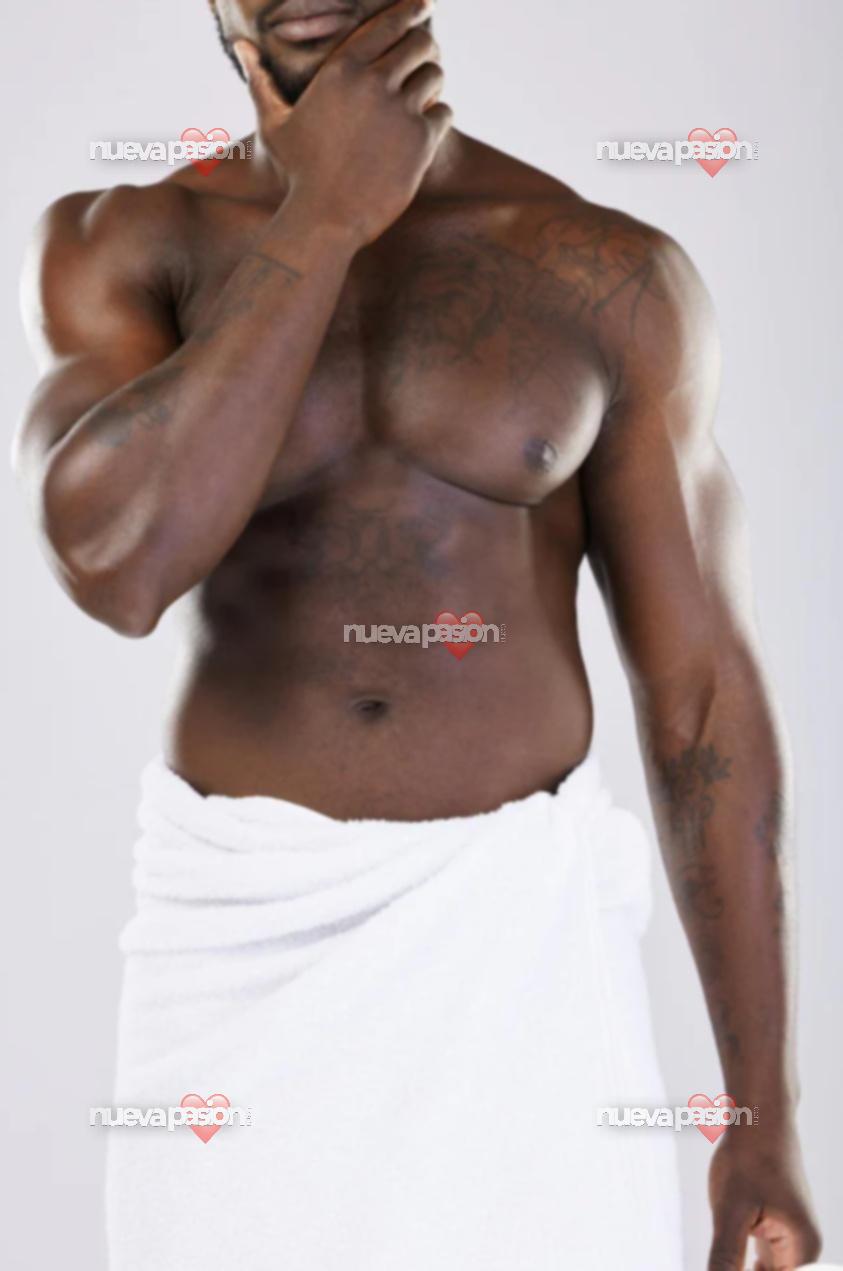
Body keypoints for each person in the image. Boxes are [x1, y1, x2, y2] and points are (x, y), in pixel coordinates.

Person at [14, 0, 821, 1267]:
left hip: (519, 973)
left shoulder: (603, 268)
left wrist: (759, 1114)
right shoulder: (123, 243)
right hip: (236, 972)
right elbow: (116, 567)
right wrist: (323, 218)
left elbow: (702, 698)